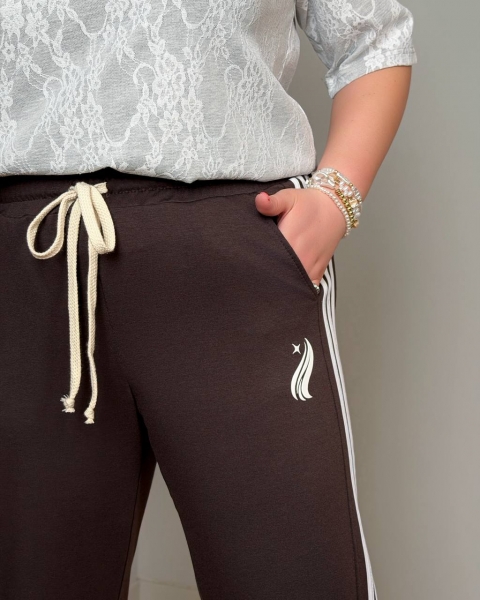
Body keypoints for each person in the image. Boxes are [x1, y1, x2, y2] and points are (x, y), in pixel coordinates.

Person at [0, 1, 417, 598]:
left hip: (232, 261)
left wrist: (335, 198)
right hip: (29, 264)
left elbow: (374, 37)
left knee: (291, 575)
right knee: (35, 578)